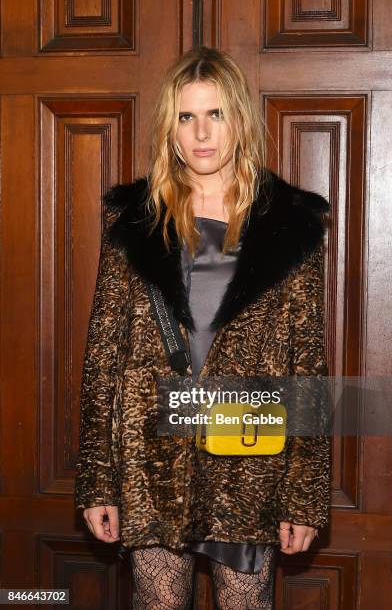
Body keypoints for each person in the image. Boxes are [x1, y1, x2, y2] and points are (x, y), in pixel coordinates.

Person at [74, 45, 332, 609]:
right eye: (187, 117)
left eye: (215, 114)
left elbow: (307, 364)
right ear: (171, 129)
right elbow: (104, 356)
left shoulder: (290, 227)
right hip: (150, 455)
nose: (201, 132)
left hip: (249, 453)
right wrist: (98, 480)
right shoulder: (134, 222)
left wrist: (304, 497)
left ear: (238, 120)